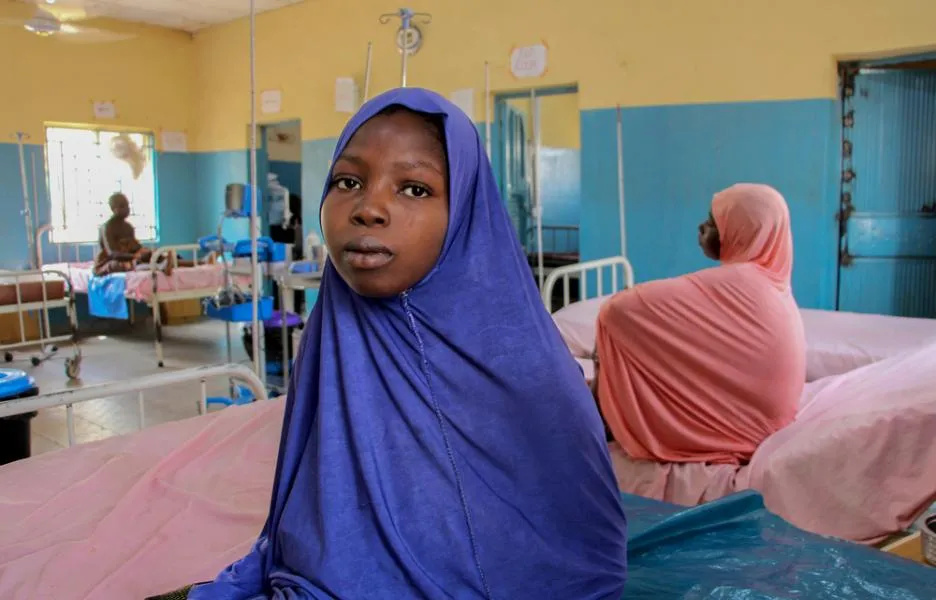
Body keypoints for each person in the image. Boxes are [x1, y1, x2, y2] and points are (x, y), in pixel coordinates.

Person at [150, 89, 627, 599]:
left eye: (415, 189)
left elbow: (580, 549)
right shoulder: (335, 333)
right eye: (348, 182)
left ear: (464, 213)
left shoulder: (527, 368)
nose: (369, 208)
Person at [593, 183, 805, 465]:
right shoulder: (774, 283)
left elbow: (619, 310)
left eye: (714, 223)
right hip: (768, 421)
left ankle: (599, 417)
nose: (701, 228)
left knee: (615, 327)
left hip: (744, 428)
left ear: (742, 231)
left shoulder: (742, 281)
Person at [93, 192, 153, 276]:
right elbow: (112, 254)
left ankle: (161, 264)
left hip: (129, 260)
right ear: (113, 209)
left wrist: (147, 252)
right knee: (115, 265)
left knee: (153, 254)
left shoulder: (128, 227)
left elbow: (135, 248)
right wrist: (135, 256)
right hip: (109, 262)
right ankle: (139, 266)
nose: (126, 209)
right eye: (122, 206)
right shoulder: (107, 227)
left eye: (127, 205)